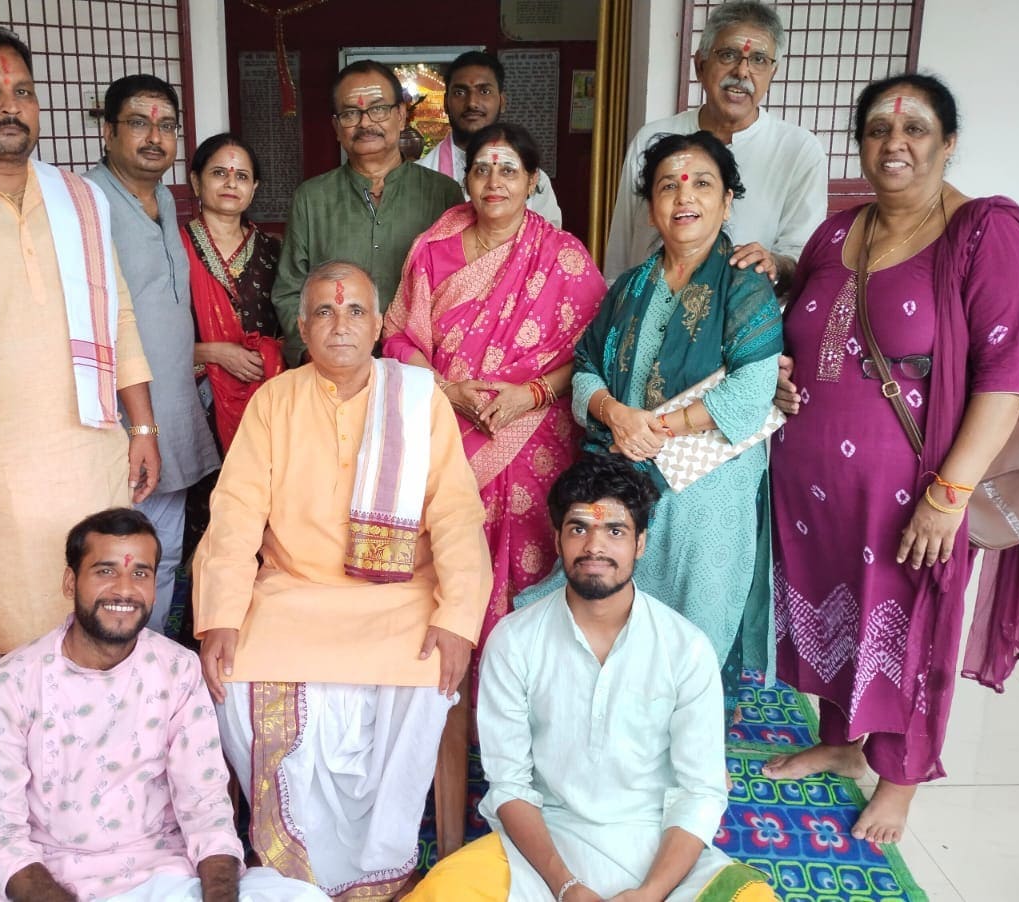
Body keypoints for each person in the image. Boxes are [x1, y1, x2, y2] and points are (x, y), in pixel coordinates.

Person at [763, 73, 1019, 845]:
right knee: (838, 612)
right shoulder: (837, 233)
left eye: (916, 130)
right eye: (877, 130)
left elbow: (1011, 378)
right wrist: (783, 367)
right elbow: (810, 331)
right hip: (816, 488)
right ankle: (841, 743)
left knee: (911, 623)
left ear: (949, 142)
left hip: (916, 488)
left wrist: (949, 494)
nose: (894, 144)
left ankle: (900, 776)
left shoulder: (987, 234)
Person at [193, 261, 492, 899]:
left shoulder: (419, 400)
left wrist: (458, 617)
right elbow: (236, 512)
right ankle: (295, 866)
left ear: (379, 325)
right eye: (325, 312)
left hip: (398, 597)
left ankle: (381, 860)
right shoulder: (274, 401)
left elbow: (457, 513)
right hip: (293, 592)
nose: (341, 325)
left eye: (356, 311)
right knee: (234, 675)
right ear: (302, 327)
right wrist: (219, 615)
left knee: (429, 674)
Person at [0, 27, 162, 656]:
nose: (10, 106)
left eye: (22, 92)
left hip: (91, 450)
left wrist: (143, 426)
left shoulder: (81, 199)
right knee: (9, 629)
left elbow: (118, 312)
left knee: (99, 616)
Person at [407, 455, 776, 902]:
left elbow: (700, 792)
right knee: (440, 892)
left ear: (640, 543)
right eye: (579, 528)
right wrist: (565, 886)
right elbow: (509, 786)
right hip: (544, 846)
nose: (594, 547)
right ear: (558, 539)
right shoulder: (514, 640)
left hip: (657, 846)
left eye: (615, 531)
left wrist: (650, 894)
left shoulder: (686, 648)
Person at [522, 131, 783, 716]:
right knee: (609, 614)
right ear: (650, 208)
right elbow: (586, 367)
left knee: (692, 625)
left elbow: (750, 395)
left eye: (702, 184)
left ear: (727, 202)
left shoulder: (744, 285)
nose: (684, 196)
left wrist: (657, 428)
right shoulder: (629, 288)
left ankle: (685, 740)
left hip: (706, 487)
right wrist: (615, 414)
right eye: (668, 186)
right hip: (622, 469)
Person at [0, 508, 329, 902]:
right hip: (58, 883)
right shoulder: (9, 685)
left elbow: (206, 808)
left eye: (140, 573)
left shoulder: (177, 669)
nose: (124, 589)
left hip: (168, 879)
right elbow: (2, 838)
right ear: (70, 582)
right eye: (105, 571)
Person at [386, 121, 606, 652]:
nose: (494, 181)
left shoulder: (563, 256)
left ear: (533, 181)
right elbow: (397, 336)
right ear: (466, 179)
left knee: (529, 565)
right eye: (482, 169)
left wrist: (529, 395)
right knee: (450, 559)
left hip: (535, 436)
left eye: (509, 170)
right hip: (446, 428)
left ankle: (518, 677)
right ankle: (451, 681)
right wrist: (446, 389)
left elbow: (593, 352)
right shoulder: (434, 248)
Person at [85, 74, 221, 633]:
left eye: (166, 126)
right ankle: (112, 658)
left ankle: (152, 659)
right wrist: (135, 424)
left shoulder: (165, 198)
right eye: (138, 123)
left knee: (162, 555)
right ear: (108, 131)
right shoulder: (87, 203)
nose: (154, 137)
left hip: (174, 407)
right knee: (115, 555)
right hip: (121, 418)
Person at [602, 0, 826, 287]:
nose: (742, 72)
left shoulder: (799, 150)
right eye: (728, 55)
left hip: (749, 311)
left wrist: (771, 263)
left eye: (759, 59)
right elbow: (621, 251)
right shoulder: (652, 139)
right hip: (649, 305)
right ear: (700, 65)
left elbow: (802, 257)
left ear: (773, 73)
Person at [270, 60, 463, 365]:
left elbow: (459, 288)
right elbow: (289, 291)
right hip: (333, 368)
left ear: (401, 115)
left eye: (378, 109)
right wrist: (311, 354)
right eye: (350, 113)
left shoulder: (443, 194)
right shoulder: (311, 198)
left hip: (420, 367)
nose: (365, 123)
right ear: (336, 128)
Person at [183, 132, 284, 452]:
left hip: (264, 395)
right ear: (196, 182)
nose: (230, 183)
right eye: (218, 173)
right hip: (193, 398)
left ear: (253, 188)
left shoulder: (274, 251)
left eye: (241, 176)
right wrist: (213, 353)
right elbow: (150, 338)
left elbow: (291, 327)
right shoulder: (171, 249)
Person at [416, 51, 563, 227]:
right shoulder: (419, 177)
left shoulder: (531, 179)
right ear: (445, 103)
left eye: (484, 91)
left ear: (502, 102)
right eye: (460, 92)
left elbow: (548, 239)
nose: (472, 102)